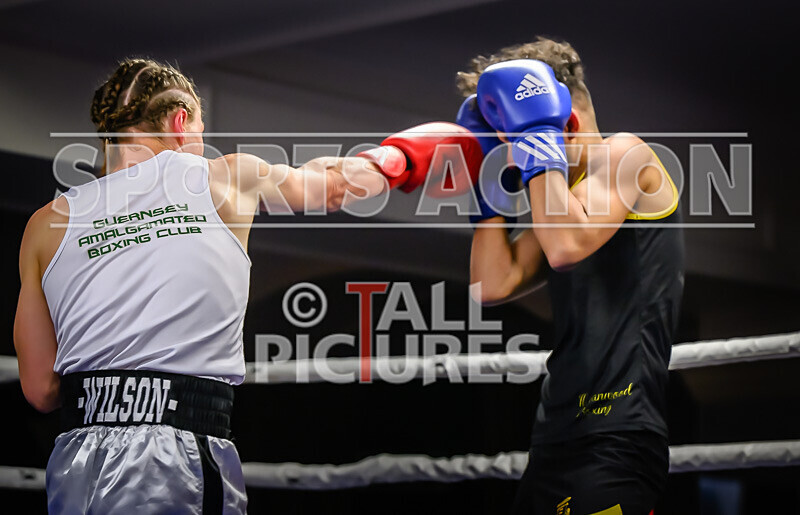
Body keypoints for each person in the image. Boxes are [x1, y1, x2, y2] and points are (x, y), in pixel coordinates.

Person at [13, 58, 480, 514]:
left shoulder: (44, 224)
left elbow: (40, 390)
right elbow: (333, 188)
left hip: (75, 461)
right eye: (199, 131)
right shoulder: (223, 176)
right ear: (181, 121)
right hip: (175, 453)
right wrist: (401, 158)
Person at [456, 37, 684, 515]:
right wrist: (484, 187)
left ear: (566, 121)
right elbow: (492, 285)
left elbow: (566, 247)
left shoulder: (628, 154)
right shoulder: (560, 204)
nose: (511, 158)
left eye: (514, 141)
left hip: (617, 435)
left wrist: (536, 138)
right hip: (556, 436)